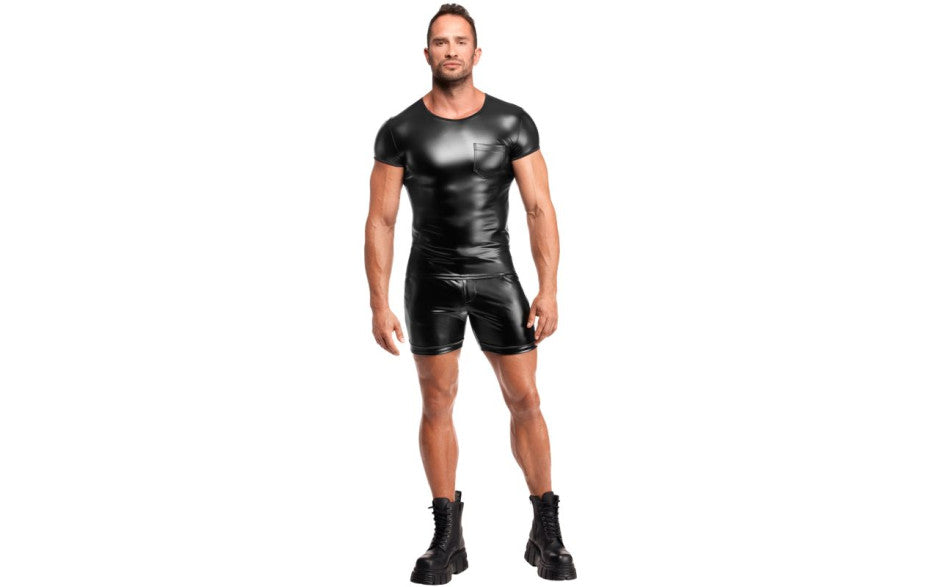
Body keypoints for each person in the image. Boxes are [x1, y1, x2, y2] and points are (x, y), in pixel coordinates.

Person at [364, 4, 577, 583]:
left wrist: (549, 289)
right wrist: (379, 303)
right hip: (429, 281)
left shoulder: (511, 122)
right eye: (441, 42)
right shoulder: (400, 130)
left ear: (476, 53)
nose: (451, 50)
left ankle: (547, 527)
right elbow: (381, 220)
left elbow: (539, 207)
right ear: (426, 53)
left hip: (495, 276)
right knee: (436, 402)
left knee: (525, 398)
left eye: (460, 41)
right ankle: (447, 535)